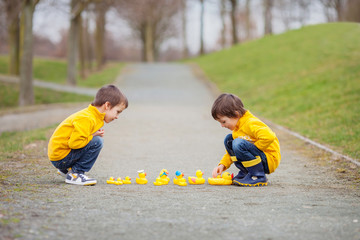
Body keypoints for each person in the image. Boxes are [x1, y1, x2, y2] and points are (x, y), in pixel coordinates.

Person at [48, 85, 128, 186]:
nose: (117, 117)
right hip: (60, 157)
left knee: (95, 139)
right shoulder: (88, 118)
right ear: (107, 105)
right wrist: (93, 135)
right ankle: (75, 174)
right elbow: (74, 143)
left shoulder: (92, 115)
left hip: (60, 155)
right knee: (97, 142)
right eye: (118, 112)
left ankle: (65, 170)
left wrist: (92, 134)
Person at [211, 93, 280, 187]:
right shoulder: (237, 129)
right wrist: (222, 165)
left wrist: (254, 148)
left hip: (268, 160)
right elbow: (230, 151)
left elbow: (269, 136)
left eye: (224, 121)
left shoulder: (250, 123)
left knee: (238, 143)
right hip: (258, 157)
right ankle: (246, 172)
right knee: (229, 140)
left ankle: (257, 176)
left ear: (236, 114)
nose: (222, 126)